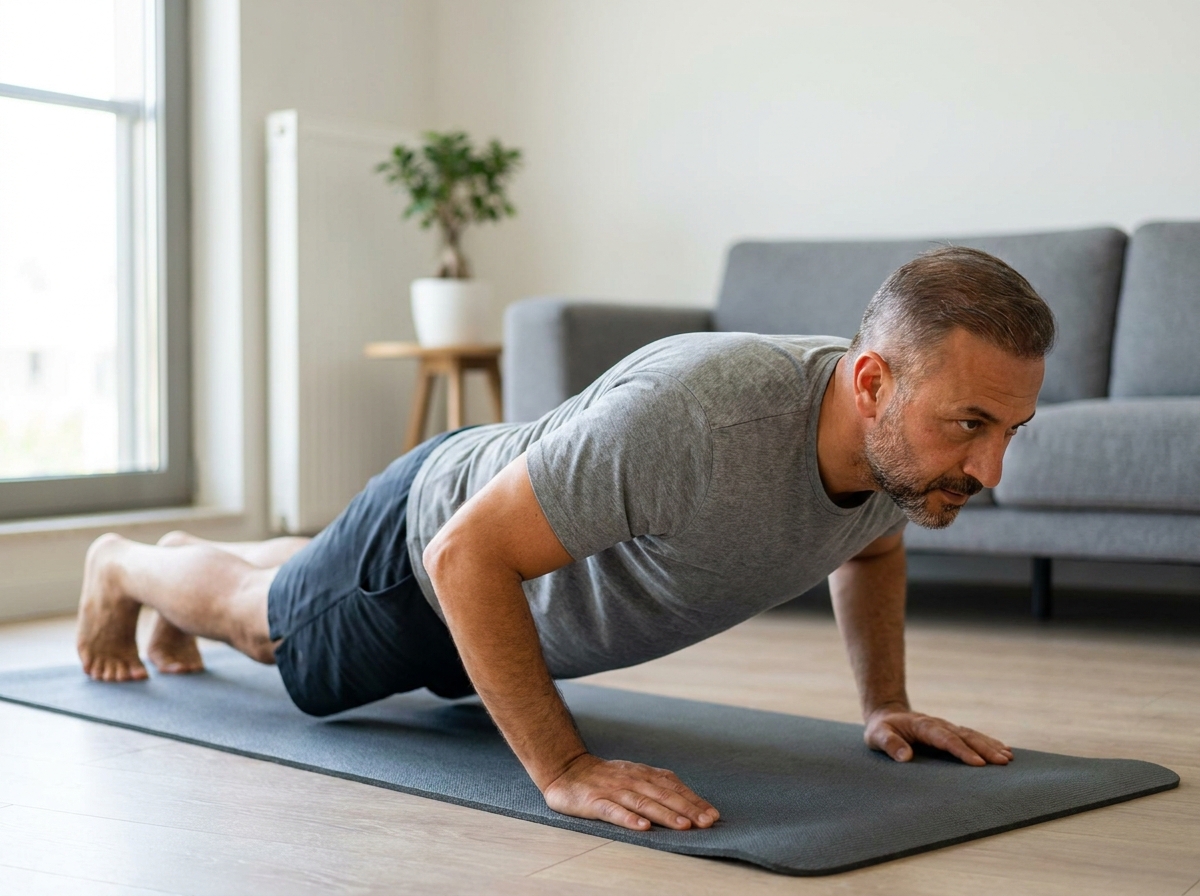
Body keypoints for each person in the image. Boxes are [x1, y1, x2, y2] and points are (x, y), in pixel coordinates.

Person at [76, 246, 1052, 834]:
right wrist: (562, 768)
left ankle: (254, 557)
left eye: (1013, 429)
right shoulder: (700, 424)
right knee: (269, 632)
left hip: (490, 527)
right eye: (972, 423)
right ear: (874, 382)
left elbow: (868, 545)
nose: (993, 469)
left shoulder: (897, 459)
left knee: (311, 579)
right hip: (434, 558)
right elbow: (466, 555)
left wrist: (885, 701)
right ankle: (128, 562)